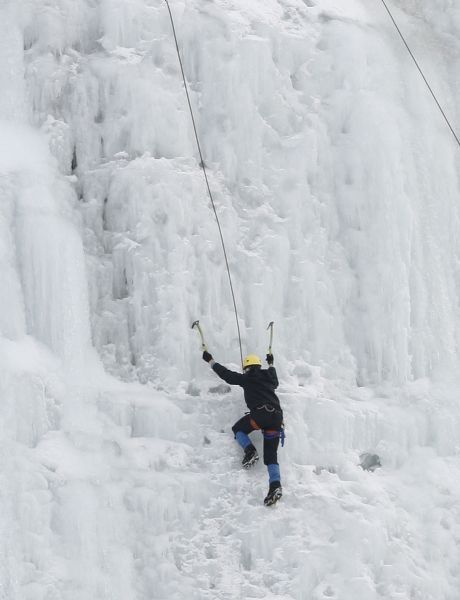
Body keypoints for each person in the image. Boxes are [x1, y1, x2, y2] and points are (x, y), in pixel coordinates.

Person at [202, 350, 284, 506]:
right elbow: (274, 377)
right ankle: (275, 486)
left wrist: (211, 360)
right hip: (277, 418)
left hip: (261, 414)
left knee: (238, 429)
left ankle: (250, 451)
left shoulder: (247, 377)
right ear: (259, 366)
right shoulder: (269, 377)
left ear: (247, 368)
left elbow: (227, 375)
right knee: (271, 456)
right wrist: (271, 362)